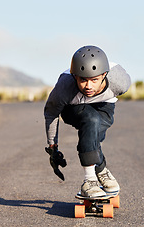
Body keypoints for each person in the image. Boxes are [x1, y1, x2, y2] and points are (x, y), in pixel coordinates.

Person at [44, 45, 131, 197]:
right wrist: (53, 148)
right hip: (74, 107)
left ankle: (101, 169)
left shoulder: (120, 81)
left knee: (95, 135)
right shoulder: (65, 86)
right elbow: (51, 114)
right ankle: (89, 181)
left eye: (94, 80)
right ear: (74, 76)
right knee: (91, 120)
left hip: (104, 104)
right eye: (83, 80)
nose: (88, 86)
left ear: (104, 75)